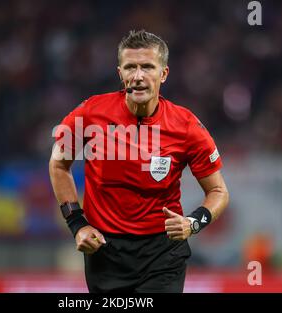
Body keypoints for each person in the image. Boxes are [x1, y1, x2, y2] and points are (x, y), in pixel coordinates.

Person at [49, 30, 229, 293]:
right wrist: (77, 224)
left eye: (147, 67)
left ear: (164, 74)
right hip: (105, 253)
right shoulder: (91, 114)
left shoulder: (186, 126)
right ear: (120, 73)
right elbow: (58, 165)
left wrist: (193, 223)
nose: (138, 76)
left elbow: (218, 191)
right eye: (130, 67)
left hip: (164, 253)